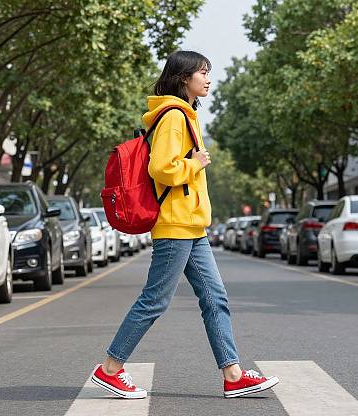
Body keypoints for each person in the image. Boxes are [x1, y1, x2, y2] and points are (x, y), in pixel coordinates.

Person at [90, 50, 279, 399]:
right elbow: (161, 168)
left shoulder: (185, 115)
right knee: (155, 300)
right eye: (202, 72)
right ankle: (110, 369)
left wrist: (193, 165)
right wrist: (195, 164)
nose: (208, 78)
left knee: (214, 298)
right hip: (176, 225)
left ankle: (233, 374)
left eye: (208, 72)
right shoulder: (174, 116)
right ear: (183, 78)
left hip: (193, 227)